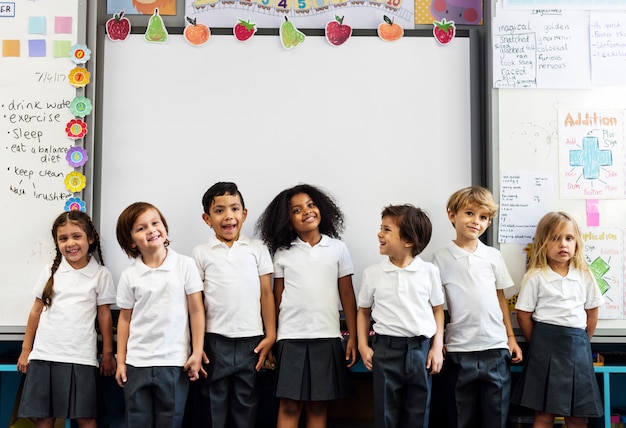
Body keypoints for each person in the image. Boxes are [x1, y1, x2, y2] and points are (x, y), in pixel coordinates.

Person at [256, 183, 357, 428]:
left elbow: (347, 294)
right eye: (297, 210)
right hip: (290, 338)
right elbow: (276, 298)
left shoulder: (337, 249)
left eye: (311, 205)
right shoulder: (281, 253)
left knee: (318, 404)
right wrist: (272, 336)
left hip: (327, 336)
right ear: (288, 221)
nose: (307, 211)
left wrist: (353, 336)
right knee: (289, 404)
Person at [431, 185, 523, 428]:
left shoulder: (493, 255)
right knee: (460, 418)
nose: (476, 221)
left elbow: (500, 298)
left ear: (489, 222)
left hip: (495, 347)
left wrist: (511, 337)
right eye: (470, 213)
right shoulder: (440, 258)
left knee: (496, 418)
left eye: (483, 217)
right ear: (452, 215)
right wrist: (437, 342)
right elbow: (436, 306)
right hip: (459, 350)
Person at [17, 211, 116, 428]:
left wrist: (108, 352)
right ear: (57, 242)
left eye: (76, 236)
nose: (70, 243)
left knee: (87, 417)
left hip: (81, 357)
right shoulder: (50, 272)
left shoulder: (101, 275)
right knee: (44, 417)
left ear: (90, 239)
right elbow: (36, 311)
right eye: (63, 238)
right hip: (45, 355)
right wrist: (26, 350)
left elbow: (104, 314)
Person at [190, 182, 276, 427]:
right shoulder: (200, 253)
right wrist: (197, 345)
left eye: (234, 209)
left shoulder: (258, 248)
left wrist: (270, 335)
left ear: (244, 214)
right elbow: (196, 303)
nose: (228, 216)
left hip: (252, 341)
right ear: (207, 218)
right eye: (219, 211)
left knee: (246, 402)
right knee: (212, 403)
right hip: (215, 340)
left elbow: (266, 294)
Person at [114, 202, 205, 428]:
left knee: (170, 421)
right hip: (137, 364)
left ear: (164, 227)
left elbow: (196, 310)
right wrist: (121, 361)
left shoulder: (185, 265)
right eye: (141, 228)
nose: (151, 230)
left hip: (174, 362)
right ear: (130, 241)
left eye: (155, 223)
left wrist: (197, 352)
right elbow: (124, 319)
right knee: (137, 422)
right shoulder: (129, 275)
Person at [512, 211, 604, 428]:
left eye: (568, 238)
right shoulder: (535, 276)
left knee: (577, 415)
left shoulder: (585, 275)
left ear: (577, 243)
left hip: (577, 347)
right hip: (544, 347)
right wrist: (538, 342)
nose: (563, 244)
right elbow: (524, 316)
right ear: (543, 242)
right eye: (555, 238)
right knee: (544, 414)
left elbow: (592, 312)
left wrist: (582, 340)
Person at [357, 204, 445, 428]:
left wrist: (436, 347)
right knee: (385, 414)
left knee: (418, 413)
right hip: (386, 350)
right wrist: (362, 345)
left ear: (408, 241)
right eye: (381, 228)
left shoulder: (429, 272)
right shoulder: (373, 273)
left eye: (387, 230)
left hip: (420, 350)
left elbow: (437, 310)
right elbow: (363, 311)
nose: (380, 234)